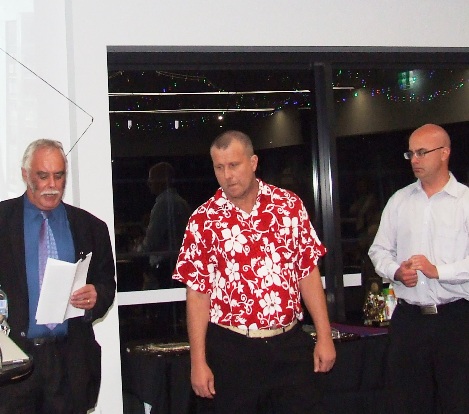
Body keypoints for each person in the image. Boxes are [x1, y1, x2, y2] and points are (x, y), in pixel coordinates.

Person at [172, 130, 336, 414]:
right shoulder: (203, 220)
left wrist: (324, 335)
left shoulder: (289, 206)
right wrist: (198, 362)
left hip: (289, 345)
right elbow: (197, 295)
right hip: (232, 350)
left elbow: (308, 273)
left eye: (234, 165)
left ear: (253, 162)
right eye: (219, 168)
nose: (227, 175)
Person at [0, 139, 116, 414]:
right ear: (26, 175)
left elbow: (106, 284)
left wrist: (96, 295)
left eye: (59, 175)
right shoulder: (2, 221)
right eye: (43, 176)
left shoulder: (91, 227)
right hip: (14, 364)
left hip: (70, 362)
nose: (52, 184)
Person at [368, 123, 469, 414]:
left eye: (422, 152)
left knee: (458, 401)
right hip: (409, 320)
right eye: (410, 153)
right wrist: (395, 271)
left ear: (445, 153)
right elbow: (378, 250)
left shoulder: (464, 202)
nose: (414, 159)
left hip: (456, 319)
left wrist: (439, 271)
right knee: (406, 402)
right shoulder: (399, 201)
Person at [139, 161, 191, 290]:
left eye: (152, 179)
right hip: (181, 264)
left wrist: (137, 252)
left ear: (162, 180)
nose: (149, 183)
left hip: (165, 268)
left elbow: (152, 241)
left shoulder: (163, 204)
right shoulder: (181, 202)